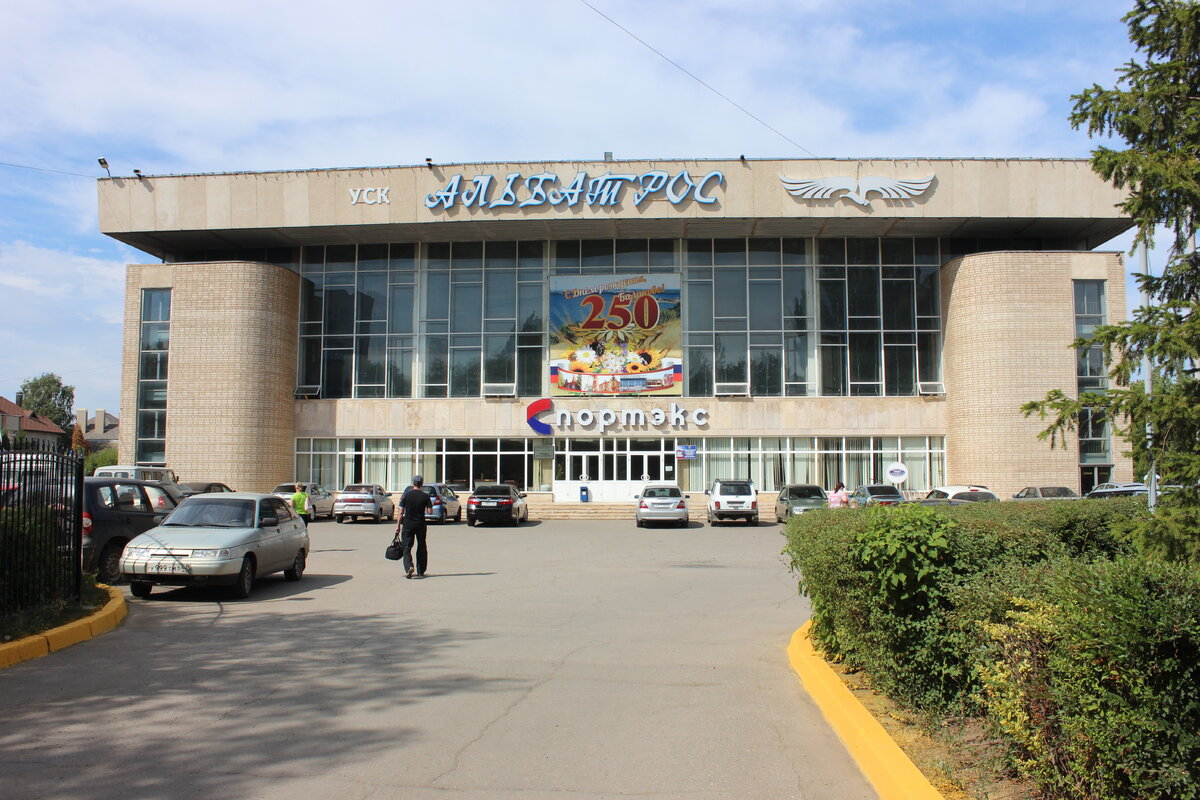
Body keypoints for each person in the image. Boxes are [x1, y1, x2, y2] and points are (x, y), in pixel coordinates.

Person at [397, 475, 433, 579]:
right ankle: (421, 570)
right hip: (420, 524)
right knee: (421, 546)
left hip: (408, 524)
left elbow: (400, 512)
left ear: (413, 483)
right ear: (422, 484)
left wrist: (398, 526)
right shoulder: (425, 496)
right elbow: (429, 511)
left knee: (407, 547)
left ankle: (409, 566)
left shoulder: (406, 496)